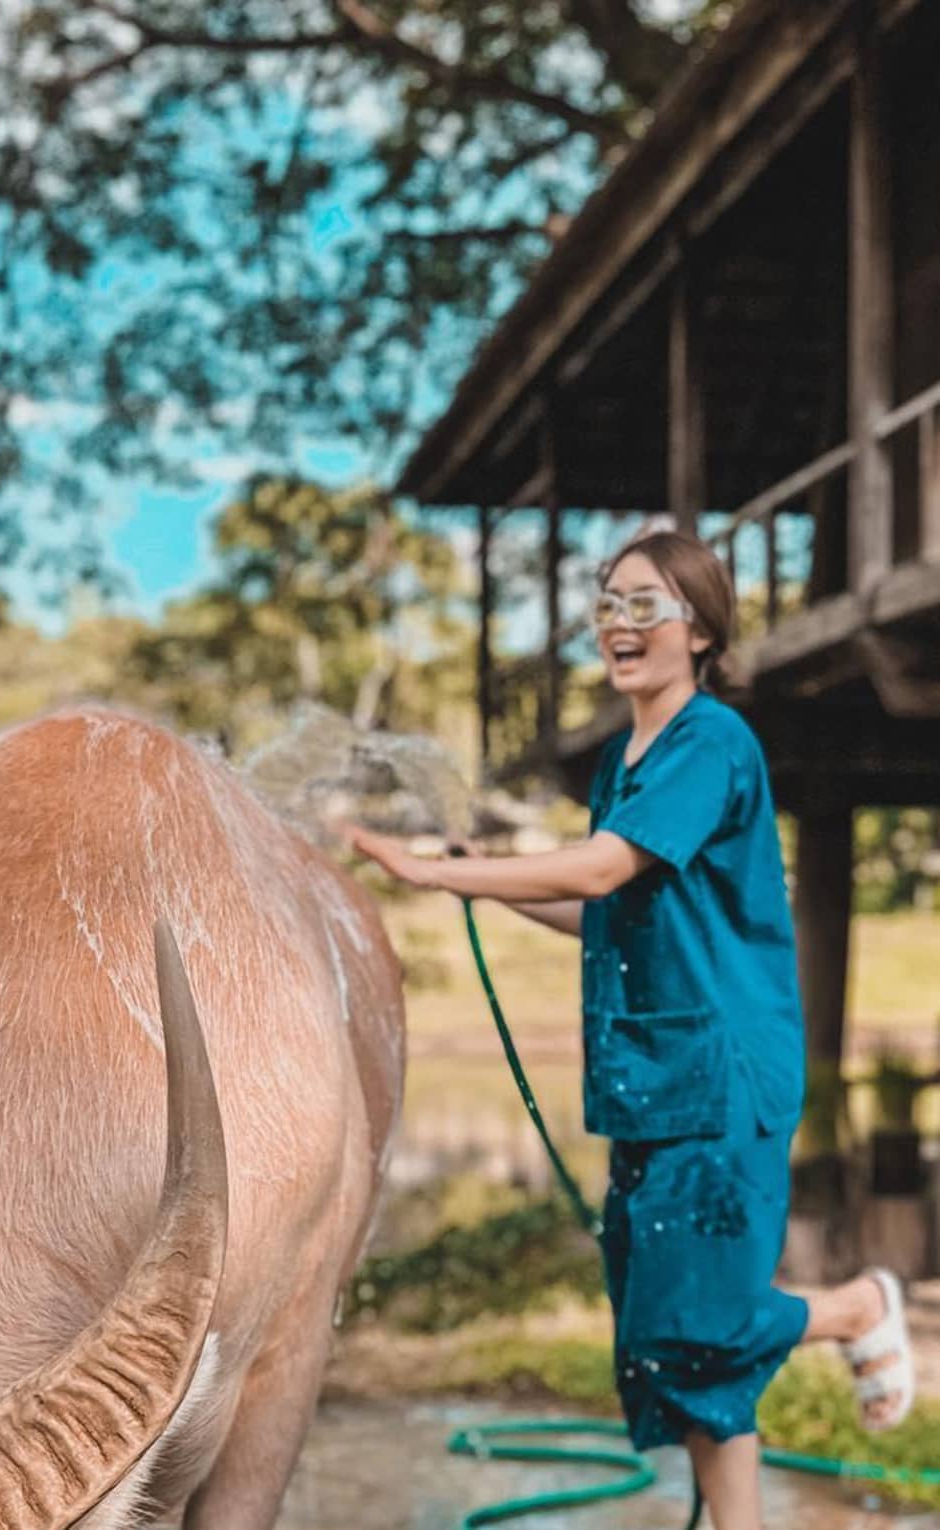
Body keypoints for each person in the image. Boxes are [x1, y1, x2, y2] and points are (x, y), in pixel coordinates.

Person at [343, 530, 913, 1530]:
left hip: (720, 1076)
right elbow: (602, 905)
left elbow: (601, 869)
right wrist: (493, 881)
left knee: (699, 1320)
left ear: (698, 629)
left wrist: (440, 872)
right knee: (669, 1343)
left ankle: (859, 1308)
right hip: (649, 1080)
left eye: (645, 605)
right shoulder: (624, 760)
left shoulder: (712, 742)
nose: (620, 624)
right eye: (608, 604)